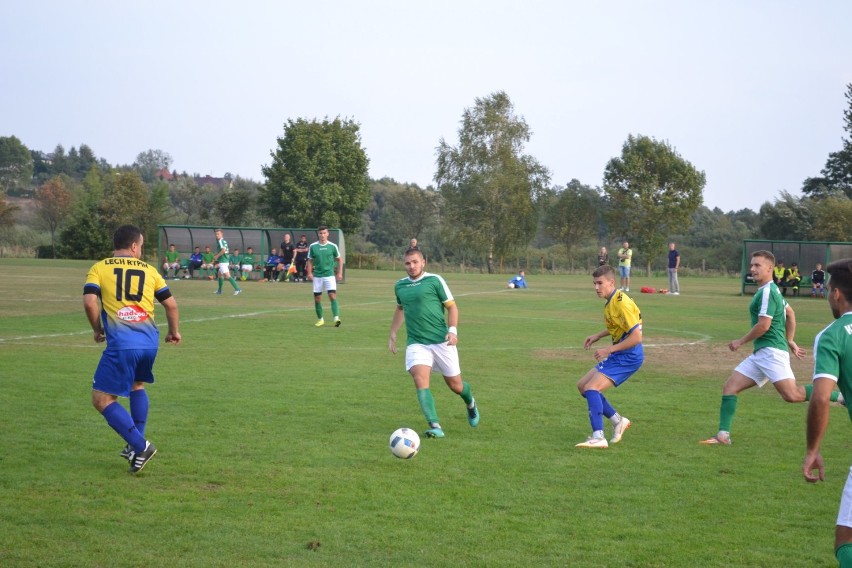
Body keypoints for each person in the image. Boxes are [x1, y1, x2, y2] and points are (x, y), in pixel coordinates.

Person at [700, 250, 842, 446]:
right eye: (751, 265)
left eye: (757, 265)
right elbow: (790, 313)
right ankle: (723, 435)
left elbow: (764, 325)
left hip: (771, 353)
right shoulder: (771, 290)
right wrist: (790, 340)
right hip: (763, 353)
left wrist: (740, 341)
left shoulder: (768, 291)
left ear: (770, 268)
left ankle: (840, 396)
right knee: (730, 387)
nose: (752, 269)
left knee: (792, 395)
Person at [83, 224, 180, 473]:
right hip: (149, 342)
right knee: (138, 385)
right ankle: (134, 445)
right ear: (134, 246)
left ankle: (140, 444)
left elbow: (89, 301)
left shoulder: (99, 268)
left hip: (123, 345)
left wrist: (97, 328)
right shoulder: (149, 270)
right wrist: (174, 332)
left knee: (102, 399)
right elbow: (171, 305)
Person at [389, 247, 480, 439]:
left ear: (423, 262)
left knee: (456, 386)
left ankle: (470, 403)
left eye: (415, 262)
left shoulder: (434, 280)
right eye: (407, 263)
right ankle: (435, 426)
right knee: (420, 380)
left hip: (441, 342)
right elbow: (400, 309)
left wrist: (452, 331)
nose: (411, 266)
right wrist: (393, 333)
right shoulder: (400, 286)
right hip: (416, 343)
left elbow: (452, 307)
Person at [802, 259, 852, 567]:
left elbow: (820, 398)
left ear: (835, 294)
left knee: (846, 539)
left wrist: (812, 449)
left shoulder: (834, 334)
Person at [574, 265, 641, 448]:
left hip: (629, 356)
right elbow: (618, 326)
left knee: (592, 388)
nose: (596, 287)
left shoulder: (622, 302)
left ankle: (598, 436)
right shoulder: (611, 301)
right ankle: (619, 421)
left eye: (600, 283)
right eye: (594, 283)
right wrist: (598, 335)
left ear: (611, 282)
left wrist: (608, 350)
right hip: (620, 354)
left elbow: (636, 337)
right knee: (582, 386)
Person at [307, 226, 342, 326]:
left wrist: (339, 273)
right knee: (317, 298)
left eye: (324, 233)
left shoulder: (332, 246)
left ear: (328, 234)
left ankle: (336, 318)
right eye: (320, 233)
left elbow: (339, 259)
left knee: (332, 296)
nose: (322, 235)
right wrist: (309, 273)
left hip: (329, 275)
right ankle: (320, 319)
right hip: (317, 276)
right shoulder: (313, 246)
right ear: (318, 234)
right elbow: (309, 260)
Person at [212, 228, 241, 295]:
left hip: (223, 261)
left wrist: (217, 256)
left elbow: (223, 250)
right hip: (224, 260)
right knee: (220, 275)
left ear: (222, 234)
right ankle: (219, 291)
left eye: (218, 234)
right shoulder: (223, 241)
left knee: (227, 276)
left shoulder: (221, 241)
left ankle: (237, 289)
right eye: (216, 234)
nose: (216, 235)